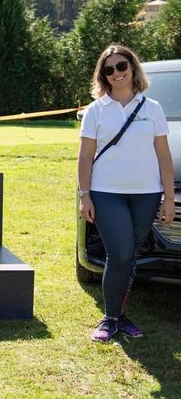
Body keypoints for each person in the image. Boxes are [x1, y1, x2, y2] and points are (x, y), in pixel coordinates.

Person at [78, 43, 174, 343]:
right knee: (119, 253)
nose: (116, 73)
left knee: (129, 256)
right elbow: (85, 156)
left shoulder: (152, 108)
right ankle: (109, 318)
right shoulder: (96, 110)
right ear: (103, 75)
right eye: (109, 69)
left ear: (132, 67)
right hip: (106, 193)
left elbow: (164, 156)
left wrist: (169, 198)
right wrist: (84, 195)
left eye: (121, 66)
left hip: (146, 194)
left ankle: (119, 316)